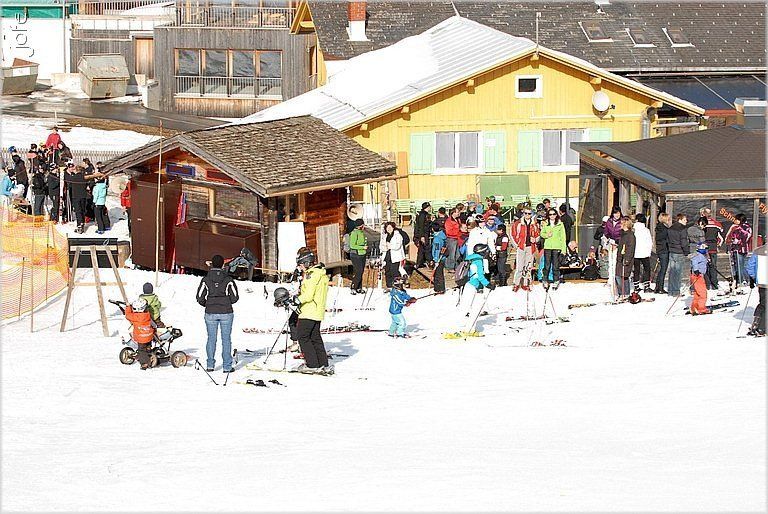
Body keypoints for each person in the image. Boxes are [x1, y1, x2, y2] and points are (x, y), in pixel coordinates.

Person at [196, 254, 239, 373]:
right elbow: (235, 297)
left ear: (212, 264)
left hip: (210, 312)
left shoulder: (206, 279)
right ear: (222, 265)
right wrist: (225, 302)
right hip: (226, 312)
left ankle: (210, 365)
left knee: (211, 339)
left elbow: (199, 297)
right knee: (226, 339)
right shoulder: (228, 279)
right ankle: (227, 366)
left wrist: (208, 304)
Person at [293, 247, 331, 371]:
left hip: (309, 311)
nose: (300, 268)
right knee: (315, 337)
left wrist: (297, 300)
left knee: (303, 337)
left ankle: (312, 364)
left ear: (306, 263)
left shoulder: (312, 275)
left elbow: (308, 295)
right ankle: (322, 363)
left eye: (300, 265)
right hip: (317, 311)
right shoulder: (320, 273)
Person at [511, 207, 539, 291]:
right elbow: (512, 234)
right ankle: (516, 283)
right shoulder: (518, 223)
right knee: (519, 267)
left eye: (529, 213)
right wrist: (516, 245)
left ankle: (525, 283)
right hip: (521, 247)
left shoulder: (534, 224)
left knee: (528, 267)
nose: (527, 215)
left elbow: (538, 234)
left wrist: (535, 239)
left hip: (530, 247)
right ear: (523, 213)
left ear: (531, 214)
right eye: (525, 213)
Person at [125, 297, 156, 370]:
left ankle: (145, 363)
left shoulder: (134, 317)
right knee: (147, 346)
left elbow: (127, 315)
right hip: (149, 335)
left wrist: (128, 307)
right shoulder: (147, 315)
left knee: (141, 350)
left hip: (141, 337)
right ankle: (149, 351)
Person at [540, 208, 566, 290]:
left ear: (556, 215)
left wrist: (563, 250)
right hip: (548, 247)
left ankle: (556, 280)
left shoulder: (560, 224)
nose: (552, 216)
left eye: (554, 214)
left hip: (557, 247)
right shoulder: (545, 223)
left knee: (555, 265)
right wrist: (547, 235)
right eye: (550, 214)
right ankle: (545, 280)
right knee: (547, 265)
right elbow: (542, 233)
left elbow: (563, 238)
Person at [725, 213, 753, 286]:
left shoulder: (746, 227)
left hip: (742, 249)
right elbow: (729, 236)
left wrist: (738, 241)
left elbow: (747, 237)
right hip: (735, 249)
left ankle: (743, 280)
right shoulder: (734, 227)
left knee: (741, 266)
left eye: (737, 219)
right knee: (738, 265)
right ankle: (742, 280)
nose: (735, 221)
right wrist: (730, 242)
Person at [746, 244, 766, 336]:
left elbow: (750, 266)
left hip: (762, 281)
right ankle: (762, 328)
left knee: (763, 303)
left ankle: (756, 323)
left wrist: (754, 277)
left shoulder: (758, 251)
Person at [667, 213, 690, 297]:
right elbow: (684, 242)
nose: (686, 221)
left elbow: (667, 240)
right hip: (679, 252)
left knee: (672, 272)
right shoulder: (682, 229)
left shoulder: (671, 228)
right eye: (684, 220)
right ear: (680, 220)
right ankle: (676, 291)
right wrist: (686, 252)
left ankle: (671, 290)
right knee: (678, 272)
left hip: (672, 251)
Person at [702, 207, 724, 290]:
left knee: (704, 266)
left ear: (703, 214)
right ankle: (714, 284)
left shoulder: (701, 224)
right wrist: (718, 245)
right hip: (713, 248)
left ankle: (707, 285)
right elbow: (721, 238)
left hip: (703, 248)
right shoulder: (717, 224)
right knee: (713, 266)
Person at [380, 222, 406, 289]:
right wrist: (385, 247)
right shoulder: (385, 236)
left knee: (394, 271)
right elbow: (381, 246)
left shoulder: (398, 235)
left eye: (390, 227)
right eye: (387, 227)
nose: (389, 229)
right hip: (387, 256)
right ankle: (389, 285)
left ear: (393, 228)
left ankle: (397, 286)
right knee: (387, 271)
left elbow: (398, 245)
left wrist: (390, 246)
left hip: (395, 256)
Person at [604, 207, 623, 294]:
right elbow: (606, 232)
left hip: (619, 245)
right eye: (615, 213)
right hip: (611, 244)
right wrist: (609, 240)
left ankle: (617, 280)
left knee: (616, 263)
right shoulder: (609, 221)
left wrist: (617, 242)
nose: (617, 215)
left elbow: (623, 234)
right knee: (611, 262)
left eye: (618, 213)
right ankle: (610, 280)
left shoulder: (622, 221)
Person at [616, 216, 636, 299]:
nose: (620, 225)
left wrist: (627, 259)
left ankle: (624, 293)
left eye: (621, 223)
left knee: (622, 276)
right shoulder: (623, 234)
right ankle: (623, 293)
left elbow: (630, 248)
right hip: (620, 258)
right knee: (621, 276)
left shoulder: (630, 235)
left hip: (625, 259)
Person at [633, 213, 653, 292]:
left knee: (636, 269)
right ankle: (646, 286)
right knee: (647, 269)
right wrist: (649, 251)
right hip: (644, 252)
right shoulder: (646, 230)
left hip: (635, 252)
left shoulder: (633, 230)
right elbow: (649, 242)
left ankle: (636, 286)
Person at [65, 164, 88, 233]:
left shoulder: (73, 178)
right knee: (83, 210)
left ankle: (79, 225)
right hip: (83, 195)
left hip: (76, 196)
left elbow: (70, 185)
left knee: (78, 211)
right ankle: (82, 223)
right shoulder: (84, 177)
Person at [689, 243, 711, 315]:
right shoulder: (699, 255)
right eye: (705, 249)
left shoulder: (701, 255)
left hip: (697, 275)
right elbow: (694, 261)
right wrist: (696, 270)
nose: (706, 251)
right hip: (698, 276)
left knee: (697, 293)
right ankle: (701, 308)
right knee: (702, 293)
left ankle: (694, 307)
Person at [654, 213, 672, 294]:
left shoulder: (660, 228)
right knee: (663, 269)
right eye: (668, 219)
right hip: (664, 250)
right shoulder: (664, 229)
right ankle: (660, 287)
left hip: (661, 249)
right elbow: (665, 239)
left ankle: (658, 287)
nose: (669, 220)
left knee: (662, 269)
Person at [348, 218, 367, 294]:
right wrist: (362, 247)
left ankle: (359, 287)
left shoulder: (361, 232)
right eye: (363, 225)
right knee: (358, 271)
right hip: (355, 254)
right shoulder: (354, 233)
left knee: (361, 271)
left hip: (362, 254)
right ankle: (353, 287)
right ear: (360, 226)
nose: (364, 226)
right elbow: (352, 245)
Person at [413, 201, 432, 268]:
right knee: (426, 248)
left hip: (425, 233)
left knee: (421, 249)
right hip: (423, 234)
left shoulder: (424, 214)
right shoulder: (422, 215)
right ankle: (429, 262)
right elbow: (421, 226)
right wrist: (422, 236)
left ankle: (419, 263)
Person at [430, 223, 447, 293]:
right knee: (439, 274)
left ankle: (440, 289)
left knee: (438, 275)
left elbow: (437, 250)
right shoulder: (442, 236)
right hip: (442, 258)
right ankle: (438, 288)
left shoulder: (437, 239)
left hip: (439, 259)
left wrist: (436, 260)